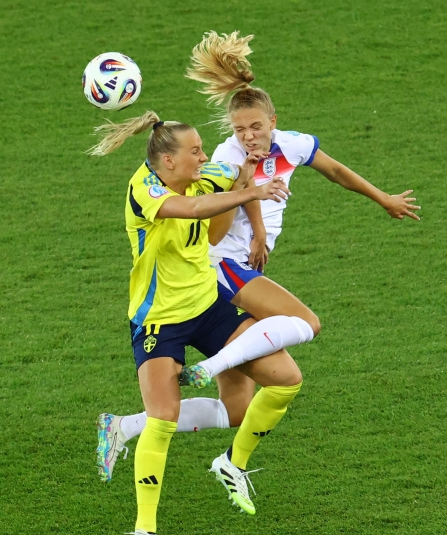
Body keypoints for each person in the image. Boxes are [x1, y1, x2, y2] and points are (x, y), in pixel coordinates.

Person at [97, 31, 420, 479]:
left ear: (273, 121)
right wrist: (259, 224)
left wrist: (382, 197)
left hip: (242, 263)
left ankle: (122, 428)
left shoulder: (292, 145)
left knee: (236, 410)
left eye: (255, 127)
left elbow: (337, 171)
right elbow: (220, 214)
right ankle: (212, 376)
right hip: (222, 265)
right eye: (239, 129)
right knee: (306, 323)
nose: (247, 136)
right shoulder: (229, 156)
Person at [90, 109, 310, 535]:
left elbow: (223, 202)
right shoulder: (144, 190)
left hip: (208, 310)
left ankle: (233, 463)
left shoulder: (207, 173)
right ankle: (144, 532)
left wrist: (245, 173)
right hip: (159, 324)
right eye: (195, 152)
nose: (205, 157)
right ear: (167, 161)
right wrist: (247, 190)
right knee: (163, 420)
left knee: (284, 378)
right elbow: (189, 209)